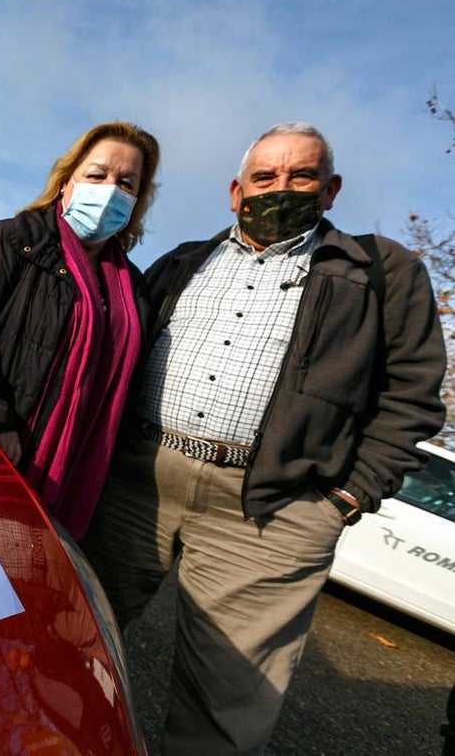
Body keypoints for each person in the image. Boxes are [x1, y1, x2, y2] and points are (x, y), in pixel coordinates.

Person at [81, 122, 447, 755]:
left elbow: (412, 396)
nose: (282, 187)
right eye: (265, 176)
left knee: (223, 711)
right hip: (134, 485)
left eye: (301, 176)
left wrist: (345, 499)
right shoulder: (183, 262)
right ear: (234, 191)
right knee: (73, 638)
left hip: (270, 515)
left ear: (330, 189)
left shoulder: (381, 271)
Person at [0, 121, 159, 540]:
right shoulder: (14, 240)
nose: (110, 189)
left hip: (68, 475)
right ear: (66, 182)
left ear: (136, 203)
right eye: (97, 174)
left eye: (126, 183)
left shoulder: (134, 291)